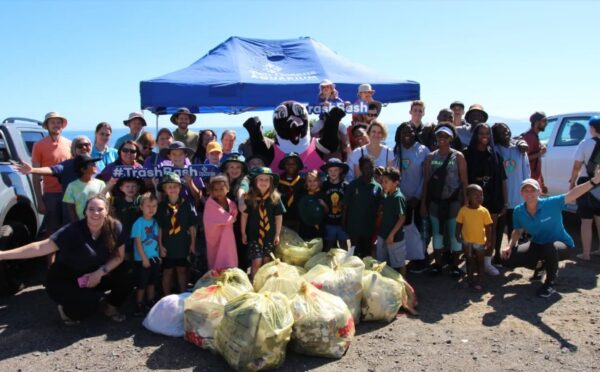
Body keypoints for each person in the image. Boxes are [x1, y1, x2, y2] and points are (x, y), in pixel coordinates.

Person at [0, 194, 131, 324]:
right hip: (67, 278)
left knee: (128, 273)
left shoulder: (115, 227)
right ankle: (65, 308)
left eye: (100, 209)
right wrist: (3, 255)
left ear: (107, 211)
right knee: (86, 307)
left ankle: (110, 308)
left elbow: (119, 256)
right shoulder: (72, 230)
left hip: (95, 273)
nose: (95, 213)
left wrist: (99, 273)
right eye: (91, 209)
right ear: (85, 211)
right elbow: (40, 247)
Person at [501, 174, 600, 298]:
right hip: (538, 244)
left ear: (539, 192)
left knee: (549, 246)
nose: (529, 193)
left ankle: (550, 283)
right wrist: (509, 246)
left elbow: (574, 193)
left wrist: (594, 181)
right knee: (507, 259)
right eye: (525, 190)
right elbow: (517, 230)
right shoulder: (518, 211)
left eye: (533, 190)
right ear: (521, 193)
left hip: (561, 245)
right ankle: (541, 265)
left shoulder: (552, 203)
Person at [421, 125, 468, 276]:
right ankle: (438, 264)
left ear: (451, 138)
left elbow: (464, 181)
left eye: (445, 136)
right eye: (439, 136)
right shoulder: (430, 157)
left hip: (454, 201)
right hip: (435, 201)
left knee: (455, 234)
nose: (442, 138)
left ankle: (455, 265)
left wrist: (466, 201)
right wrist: (423, 203)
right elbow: (426, 181)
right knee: (437, 234)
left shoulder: (458, 156)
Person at [464, 123, 507, 276]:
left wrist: (505, 201)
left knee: (491, 231)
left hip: (493, 199)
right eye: (481, 133)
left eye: (487, 133)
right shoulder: (467, 154)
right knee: (470, 231)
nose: (484, 136)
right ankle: (471, 262)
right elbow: (463, 179)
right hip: (472, 201)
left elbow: (502, 180)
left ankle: (487, 262)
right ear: (475, 135)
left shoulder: (495, 155)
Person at [394, 123, 430, 272]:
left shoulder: (423, 150)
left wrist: (418, 196)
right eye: (403, 132)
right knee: (403, 230)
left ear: (415, 133)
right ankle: (403, 259)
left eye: (410, 132)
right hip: (400, 198)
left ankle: (420, 259)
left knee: (419, 230)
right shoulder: (396, 150)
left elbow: (425, 176)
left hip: (417, 198)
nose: (406, 135)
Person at [492, 122, 530, 263]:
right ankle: (496, 255)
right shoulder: (495, 150)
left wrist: (527, 190)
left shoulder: (520, 150)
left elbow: (526, 171)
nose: (505, 133)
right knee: (499, 228)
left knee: (515, 229)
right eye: (501, 132)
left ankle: (512, 254)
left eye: (507, 130)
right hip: (502, 197)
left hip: (518, 197)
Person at [31, 112, 72, 237]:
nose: (56, 125)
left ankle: (65, 256)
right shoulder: (38, 146)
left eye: (58, 122)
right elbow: (35, 175)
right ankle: (50, 257)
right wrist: (39, 200)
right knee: (52, 231)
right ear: (47, 126)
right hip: (51, 195)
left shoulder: (70, 144)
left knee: (69, 229)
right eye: (52, 122)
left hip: (69, 193)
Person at [241, 167, 285, 279]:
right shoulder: (250, 197)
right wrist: (243, 233)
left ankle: (263, 283)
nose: (264, 182)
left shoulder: (275, 198)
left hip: (269, 235)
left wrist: (277, 234)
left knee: (266, 261)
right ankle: (253, 282)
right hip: (254, 235)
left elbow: (279, 217)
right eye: (260, 179)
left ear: (271, 182)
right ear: (255, 182)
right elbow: (244, 215)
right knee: (256, 261)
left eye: (267, 180)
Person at [157, 173, 197, 295]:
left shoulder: (187, 205)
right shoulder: (161, 207)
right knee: (167, 271)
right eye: (169, 187)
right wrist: (160, 245)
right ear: (164, 190)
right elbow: (159, 228)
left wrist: (193, 244)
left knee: (182, 270)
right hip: (168, 244)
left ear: (180, 188)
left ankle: (183, 295)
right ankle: (166, 297)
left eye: (175, 186)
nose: (172, 189)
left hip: (182, 243)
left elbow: (192, 226)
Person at [568, 116, 600, 261]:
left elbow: (577, 166)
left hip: (587, 182)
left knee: (586, 220)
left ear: (592, 128)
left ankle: (586, 253)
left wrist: (573, 182)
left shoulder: (585, 144)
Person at [14, 135, 93, 194]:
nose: (84, 147)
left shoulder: (95, 164)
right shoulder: (67, 165)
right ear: (73, 149)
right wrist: (33, 170)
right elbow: (52, 170)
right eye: (80, 146)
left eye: (87, 145)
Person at [344, 156, 383, 258]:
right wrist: (344, 223)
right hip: (354, 227)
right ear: (361, 169)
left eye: (371, 167)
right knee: (354, 253)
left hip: (369, 228)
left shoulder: (378, 187)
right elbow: (346, 206)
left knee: (367, 253)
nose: (369, 170)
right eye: (366, 168)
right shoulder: (353, 185)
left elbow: (380, 208)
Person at [456, 184, 493, 291]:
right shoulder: (463, 210)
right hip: (467, 241)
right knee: (469, 261)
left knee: (480, 262)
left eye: (481, 195)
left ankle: (480, 282)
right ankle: (470, 280)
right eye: (476, 196)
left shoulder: (484, 211)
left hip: (480, 242)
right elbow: (459, 224)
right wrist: (457, 234)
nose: (480, 198)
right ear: (468, 197)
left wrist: (489, 240)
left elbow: (488, 227)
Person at [130, 192, 160, 317]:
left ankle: (150, 301)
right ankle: (139, 303)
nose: (151, 209)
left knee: (152, 282)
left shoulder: (155, 222)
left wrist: (160, 251)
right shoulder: (138, 223)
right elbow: (137, 242)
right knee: (142, 283)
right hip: (143, 259)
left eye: (154, 206)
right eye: (148, 206)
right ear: (141, 207)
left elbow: (157, 238)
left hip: (155, 257)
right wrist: (144, 258)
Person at [220, 153, 250, 270]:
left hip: (240, 225)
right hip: (224, 224)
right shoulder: (221, 181)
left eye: (238, 167)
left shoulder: (244, 180)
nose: (234, 170)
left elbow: (242, 190)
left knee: (240, 252)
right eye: (231, 167)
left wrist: (241, 202)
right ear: (226, 169)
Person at [203, 175, 238, 270]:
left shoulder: (231, 203)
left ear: (227, 189)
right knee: (215, 258)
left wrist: (229, 219)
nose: (218, 192)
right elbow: (210, 220)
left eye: (221, 189)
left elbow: (233, 217)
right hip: (215, 236)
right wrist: (228, 219)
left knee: (229, 257)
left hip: (228, 238)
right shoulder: (210, 204)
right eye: (215, 189)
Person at [377, 167, 408, 276]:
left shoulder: (398, 198)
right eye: (382, 182)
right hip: (383, 234)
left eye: (386, 182)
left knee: (399, 264)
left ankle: (403, 285)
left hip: (395, 238)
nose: (383, 184)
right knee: (381, 263)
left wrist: (391, 235)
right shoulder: (387, 194)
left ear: (396, 183)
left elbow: (402, 218)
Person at [62, 155, 108, 223]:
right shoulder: (72, 186)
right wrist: (76, 224)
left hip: (99, 221)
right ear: (83, 169)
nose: (95, 165)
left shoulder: (101, 183)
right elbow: (71, 208)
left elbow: (106, 203)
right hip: (81, 222)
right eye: (92, 164)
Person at [158, 141, 204, 207]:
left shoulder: (193, 171)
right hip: (170, 208)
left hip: (189, 209)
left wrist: (190, 183)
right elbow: (162, 196)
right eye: (174, 154)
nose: (177, 157)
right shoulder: (165, 172)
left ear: (186, 155)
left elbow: (198, 197)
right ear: (169, 156)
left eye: (181, 154)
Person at [321, 158, 350, 251]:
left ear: (340, 170)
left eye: (336, 170)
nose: (333, 173)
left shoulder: (345, 186)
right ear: (327, 171)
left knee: (343, 245)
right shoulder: (324, 185)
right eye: (330, 170)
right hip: (329, 222)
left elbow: (347, 204)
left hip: (342, 222)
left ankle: (345, 263)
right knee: (328, 246)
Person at [522, 111, 548, 193]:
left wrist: (542, 183)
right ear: (536, 122)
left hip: (535, 179)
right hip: (529, 180)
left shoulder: (535, 136)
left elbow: (537, 160)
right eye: (544, 121)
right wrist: (540, 153)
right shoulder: (529, 137)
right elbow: (524, 159)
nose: (546, 124)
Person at [277, 152, 305, 232]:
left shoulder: (303, 182)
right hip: (281, 219)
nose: (291, 165)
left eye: (294, 163)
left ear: (298, 166)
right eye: (288, 163)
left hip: (299, 220)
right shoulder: (277, 182)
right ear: (284, 166)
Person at [297, 170, 328, 241]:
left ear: (319, 182)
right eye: (309, 181)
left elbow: (327, 211)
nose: (312, 183)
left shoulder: (322, 195)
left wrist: (324, 204)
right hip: (305, 228)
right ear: (306, 183)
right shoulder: (303, 194)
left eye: (315, 181)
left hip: (319, 227)